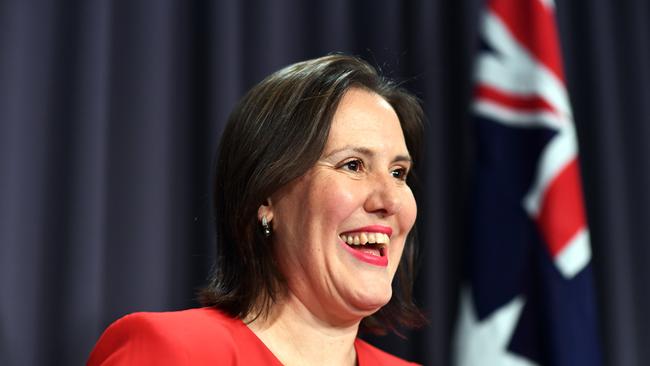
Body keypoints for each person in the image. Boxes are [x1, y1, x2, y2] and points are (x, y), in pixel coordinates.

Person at [88, 54, 425, 365]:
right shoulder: (172, 353)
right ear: (266, 197)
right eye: (353, 165)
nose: (391, 201)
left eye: (398, 173)